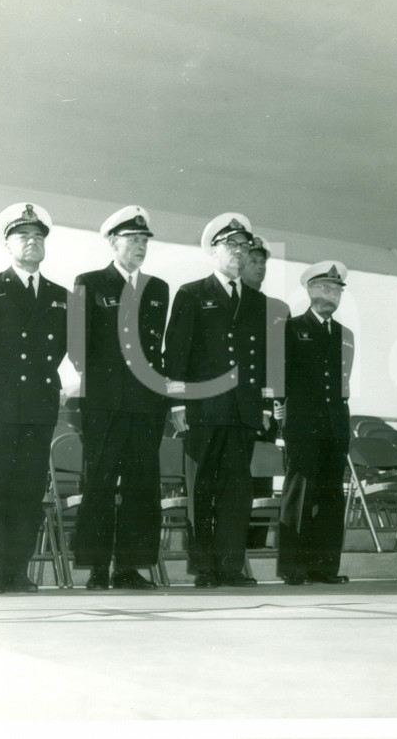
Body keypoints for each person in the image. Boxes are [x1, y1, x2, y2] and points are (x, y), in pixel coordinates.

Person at [0, 203, 69, 593]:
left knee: (28, 492)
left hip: (38, 406)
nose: (33, 242)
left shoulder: (60, 296)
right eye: (24, 236)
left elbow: (60, 349)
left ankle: (18, 571)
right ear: (7, 244)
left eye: (39, 236)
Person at [163, 213, 267, 588]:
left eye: (244, 246)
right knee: (203, 492)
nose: (238, 252)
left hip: (242, 411)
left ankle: (230, 566)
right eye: (230, 245)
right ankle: (205, 568)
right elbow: (175, 353)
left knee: (236, 494)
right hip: (203, 410)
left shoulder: (257, 301)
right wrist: (176, 405)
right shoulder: (192, 293)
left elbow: (265, 360)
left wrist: (266, 404)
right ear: (213, 250)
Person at [71, 206, 169, 590]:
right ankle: (97, 567)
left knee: (142, 484)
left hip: (147, 404)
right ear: (113, 242)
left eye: (145, 240)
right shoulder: (90, 282)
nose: (140, 246)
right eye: (133, 239)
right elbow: (79, 348)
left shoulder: (159, 288)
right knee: (99, 482)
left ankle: (131, 567)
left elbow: (158, 347)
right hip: (104, 403)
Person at [276, 261, 354, 586]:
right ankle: (293, 567)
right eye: (324, 287)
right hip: (302, 424)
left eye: (336, 289)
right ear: (309, 290)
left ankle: (325, 567)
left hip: (335, 426)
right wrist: (277, 409)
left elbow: (342, 384)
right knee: (300, 495)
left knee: (331, 498)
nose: (331, 294)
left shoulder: (344, 335)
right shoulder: (290, 328)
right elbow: (278, 377)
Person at [241, 234, 290, 550]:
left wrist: (275, 406)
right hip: (232, 406)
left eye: (263, 263)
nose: (260, 268)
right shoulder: (230, 302)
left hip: (265, 409)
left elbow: (280, 363)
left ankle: (255, 548)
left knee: (261, 480)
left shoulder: (277, 309)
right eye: (253, 261)